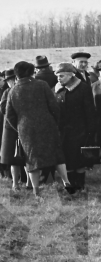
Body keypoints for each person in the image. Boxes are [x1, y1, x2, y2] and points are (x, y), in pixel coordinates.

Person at [4, 62, 75, 197]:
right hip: (47, 124)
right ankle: (66, 182)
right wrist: (54, 122)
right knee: (57, 154)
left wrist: (19, 127)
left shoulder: (13, 90)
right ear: (32, 72)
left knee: (31, 159)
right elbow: (54, 106)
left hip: (26, 129)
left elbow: (9, 115)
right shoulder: (42, 85)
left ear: (16, 74)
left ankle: (36, 190)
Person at [54, 62, 97, 191]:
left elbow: (90, 111)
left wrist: (90, 132)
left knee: (79, 160)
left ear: (70, 75)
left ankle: (80, 185)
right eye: (57, 76)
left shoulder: (83, 88)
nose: (59, 79)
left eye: (61, 76)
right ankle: (70, 185)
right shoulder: (57, 89)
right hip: (63, 132)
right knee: (67, 159)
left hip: (80, 131)